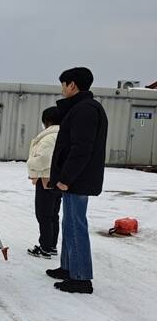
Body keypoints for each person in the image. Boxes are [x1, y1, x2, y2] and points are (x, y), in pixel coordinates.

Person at [47, 67, 108, 294]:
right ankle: (68, 267)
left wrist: (65, 178)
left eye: (63, 84)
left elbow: (81, 148)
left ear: (72, 85)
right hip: (76, 178)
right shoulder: (83, 108)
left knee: (76, 225)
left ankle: (81, 278)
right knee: (69, 223)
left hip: (77, 179)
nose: (62, 89)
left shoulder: (85, 110)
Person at [26, 106, 63, 259]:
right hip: (58, 179)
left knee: (44, 214)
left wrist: (30, 162)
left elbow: (43, 159)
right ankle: (51, 245)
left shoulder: (49, 137)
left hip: (46, 179)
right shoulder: (62, 134)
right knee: (53, 214)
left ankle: (45, 247)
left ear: (46, 121)